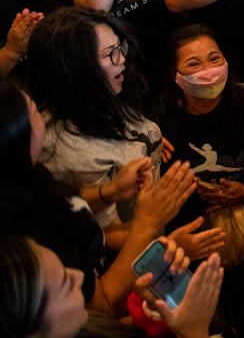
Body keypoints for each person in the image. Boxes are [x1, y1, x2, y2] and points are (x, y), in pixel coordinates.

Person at [0, 77, 199, 321]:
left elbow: (62, 201)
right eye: (33, 110)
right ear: (14, 133)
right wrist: (147, 227)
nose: (42, 117)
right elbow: (99, 309)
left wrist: (109, 192)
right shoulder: (32, 234)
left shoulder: (23, 172)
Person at [26, 6, 163, 227]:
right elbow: (108, 236)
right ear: (71, 69)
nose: (122, 59)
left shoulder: (105, 93)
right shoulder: (70, 151)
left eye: (120, 47)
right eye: (110, 53)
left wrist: (150, 137)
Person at [152, 24, 244, 252]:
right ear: (175, 74)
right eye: (193, 64)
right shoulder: (159, 120)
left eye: (214, 59)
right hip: (186, 234)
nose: (209, 71)